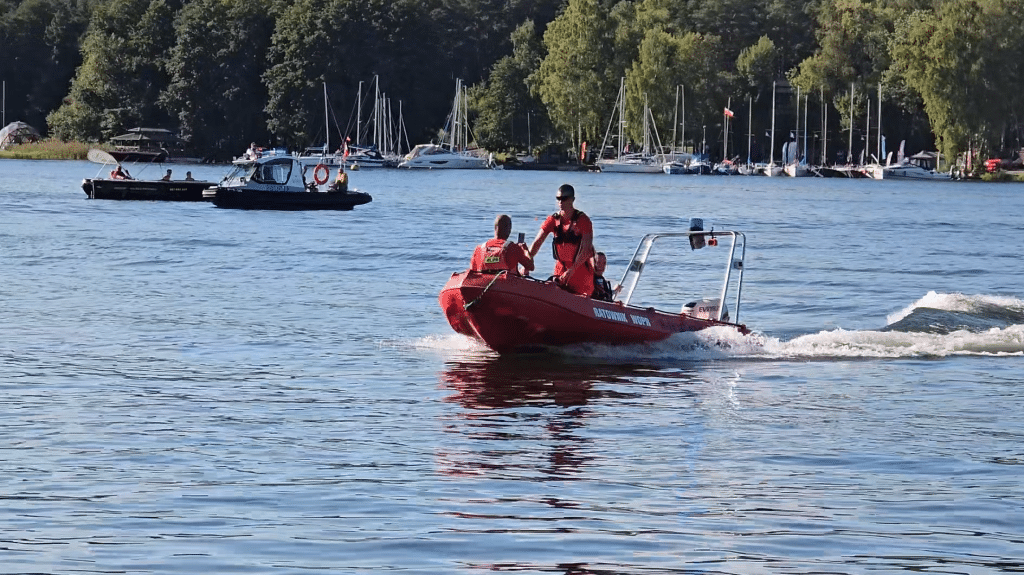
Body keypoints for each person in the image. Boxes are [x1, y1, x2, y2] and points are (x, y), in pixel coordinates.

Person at [529, 184, 594, 296]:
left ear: (572, 199)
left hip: (580, 273)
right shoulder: (553, 220)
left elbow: (586, 250)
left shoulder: (583, 220)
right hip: (560, 271)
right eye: (558, 198)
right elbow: (537, 243)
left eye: (564, 198)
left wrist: (571, 271)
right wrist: (527, 262)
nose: (560, 202)